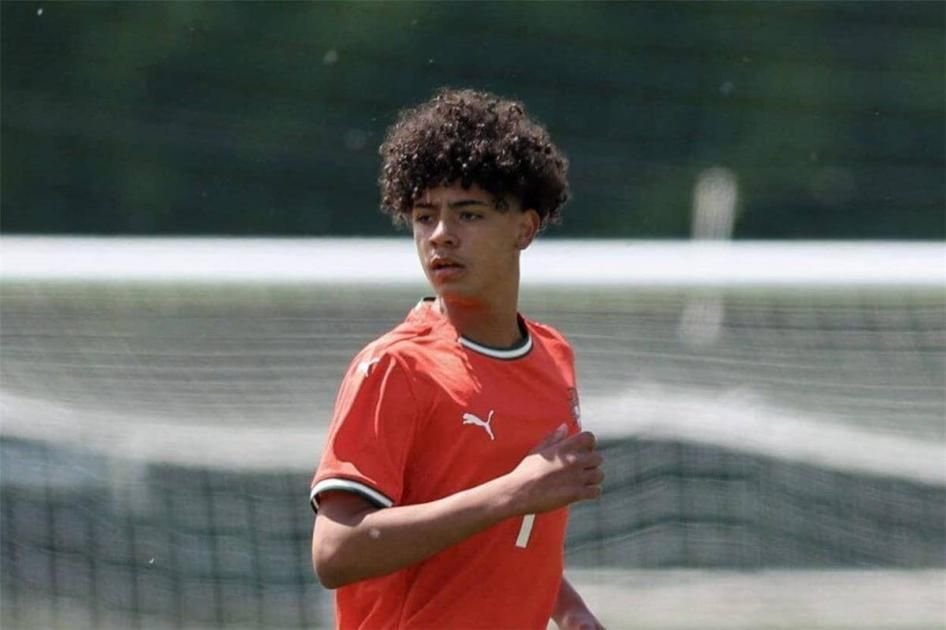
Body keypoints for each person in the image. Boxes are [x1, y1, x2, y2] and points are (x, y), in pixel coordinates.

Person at [310, 87, 605, 630]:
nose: (441, 236)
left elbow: (502, 533)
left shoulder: (553, 355)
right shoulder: (396, 367)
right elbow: (335, 551)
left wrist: (569, 610)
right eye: (425, 216)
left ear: (525, 228)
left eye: (468, 214)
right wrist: (513, 492)